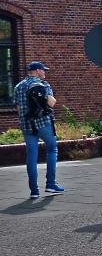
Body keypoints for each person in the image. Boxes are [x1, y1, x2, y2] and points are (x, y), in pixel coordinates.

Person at [14, 61, 63, 198]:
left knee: (31, 155)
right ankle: (51, 184)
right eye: (43, 70)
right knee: (52, 149)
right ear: (37, 71)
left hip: (27, 125)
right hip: (43, 123)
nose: (45, 72)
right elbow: (51, 103)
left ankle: (34, 191)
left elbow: (18, 109)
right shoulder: (44, 85)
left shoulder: (18, 87)